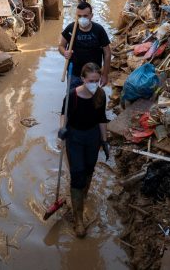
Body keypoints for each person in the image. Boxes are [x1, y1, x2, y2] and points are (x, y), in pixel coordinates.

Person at [57, 63, 110, 238]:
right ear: (83, 79)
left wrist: (104, 140)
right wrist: (62, 129)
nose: (94, 84)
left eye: (97, 80)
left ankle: (82, 197)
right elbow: (64, 114)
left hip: (92, 137)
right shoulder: (73, 96)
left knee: (89, 170)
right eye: (91, 81)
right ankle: (78, 218)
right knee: (78, 174)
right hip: (75, 138)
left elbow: (102, 118)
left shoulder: (101, 95)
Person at [59, 2, 111, 89]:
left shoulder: (99, 30)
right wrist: (65, 52)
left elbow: (107, 53)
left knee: (91, 99)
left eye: (85, 16)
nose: (82, 18)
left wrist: (105, 75)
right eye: (79, 16)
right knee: (73, 99)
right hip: (74, 73)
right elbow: (61, 46)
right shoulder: (71, 28)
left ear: (91, 15)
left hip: (93, 75)